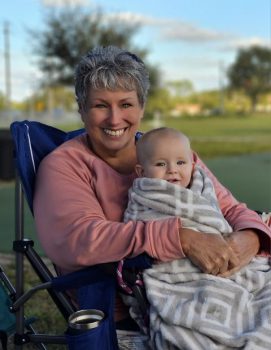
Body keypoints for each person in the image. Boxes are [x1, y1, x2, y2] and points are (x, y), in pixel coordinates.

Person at [33, 46, 271, 340]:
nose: (115, 118)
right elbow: (78, 239)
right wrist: (181, 238)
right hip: (126, 298)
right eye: (100, 105)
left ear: (142, 107)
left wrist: (252, 236)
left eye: (126, 104)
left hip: (220, 276)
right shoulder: (63, 165)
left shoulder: (170, 153)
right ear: (81, 108)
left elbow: (231, 208)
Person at [121, 127, 271, 349]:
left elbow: (223, 213)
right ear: (141, 171)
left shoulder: (201, 186)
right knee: (203, 319)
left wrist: (249, 236)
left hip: (227, 256)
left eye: (181, 163)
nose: (172, 170)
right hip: (181, 276)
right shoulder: (145, 196)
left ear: (192, 164)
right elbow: (137, 229)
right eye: (161, 164)